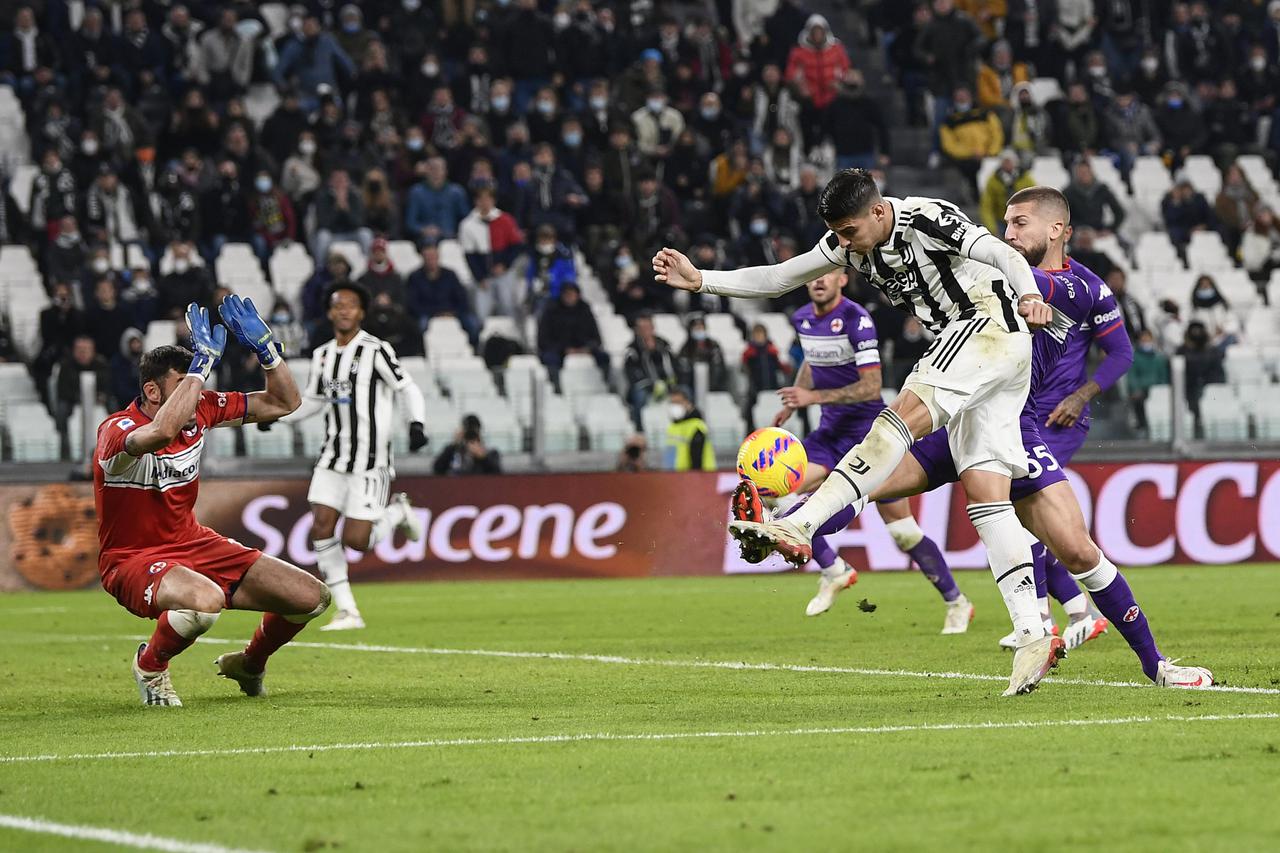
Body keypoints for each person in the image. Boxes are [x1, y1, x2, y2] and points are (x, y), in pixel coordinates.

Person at [735, 187, 1212, 689]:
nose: (1009, 232)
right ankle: (786, 527)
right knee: (869, 483)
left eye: (1020, 223)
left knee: (1077, 551)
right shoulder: (991, 266)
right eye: (1006, 223)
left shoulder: (1079, 289)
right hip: (960, 413)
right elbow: (962, 265)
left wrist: (1078, 388)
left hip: (1017, 426)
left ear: (1056, 229)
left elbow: (1100, 336)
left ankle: (1154, 664)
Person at [653, 168, 1065, 696]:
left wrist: (1029, 294)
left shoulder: (926, 217)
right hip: (995, 359)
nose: (843, 244)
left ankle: (800, 524)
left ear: (877, 210)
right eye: (837, 235)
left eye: (849, 231)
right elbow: (779, 277)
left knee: (894, 421)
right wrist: (702, 280)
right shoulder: (846, 244)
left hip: (986, 327)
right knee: (987, 498)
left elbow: (1002, 254)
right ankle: (1033, 634)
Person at [95, 299, 329, 706]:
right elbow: (161, 432)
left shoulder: (200, 408)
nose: (197, 392)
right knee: (205, 602)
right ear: (151, 391)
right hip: (131, 559)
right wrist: (201, 364)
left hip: (193, 544)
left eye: (198, 382)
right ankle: (150, 666)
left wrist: (267, 351)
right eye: (185, 383)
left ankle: (250, 663)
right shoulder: (117, 430)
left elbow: (284, 403)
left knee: (311, 598)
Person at [754, 268, 972, 629]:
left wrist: (812, 397)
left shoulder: (857, 319)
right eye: (812, 276)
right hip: (828, 435)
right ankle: (833, 569)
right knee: (774, 491)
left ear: (842, 279)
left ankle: (957, 602)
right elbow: (811, 359)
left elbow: (872, 387)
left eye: (827, 275)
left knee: (904, 533)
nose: (818, 281)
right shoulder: (803, 318)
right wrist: (795, 399)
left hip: (868, 438)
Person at [277, 283, 429, 631]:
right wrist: (279, 417)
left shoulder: (376, 350)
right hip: (332, 457)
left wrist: (416, 423)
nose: (344, 310)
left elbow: (407, 387)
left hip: (370, 461)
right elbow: (314, 401)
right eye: (338, 305)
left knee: (357, 541)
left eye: (350, 305)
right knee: (321, 525)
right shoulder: (323, 355)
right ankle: (347, 610)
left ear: (361, 312)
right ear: (330, 312)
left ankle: (398, 512)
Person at [536, 282, 608, 380]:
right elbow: (543, 340)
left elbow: (596, 337)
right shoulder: (551, 310)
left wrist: (587, 348)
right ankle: (555, 385)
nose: (569, 297)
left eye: (572, 294)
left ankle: (606, 382)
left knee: (604, 357)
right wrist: (564, 349)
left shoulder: (584, 309)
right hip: (558, 349)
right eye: (567, 294)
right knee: (551, 358)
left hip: (584, 348)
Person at [623, 313, 678, 426]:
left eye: (648, 327)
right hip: (645, 386)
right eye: (642, 328)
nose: (646, 331)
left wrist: (668, 382)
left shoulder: (664, 346)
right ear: (637, 330)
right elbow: (632, 374)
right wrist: (653, 384)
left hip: (667, 384)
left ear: (653, 328)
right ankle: (639, 428)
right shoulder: (633, 350)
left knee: (685, 392)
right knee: (640, 396)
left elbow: (674, 366)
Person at [980, 150, 1034, 233]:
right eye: (1005, 162)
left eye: (1009, 162)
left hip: (1021, 217)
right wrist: (991, 227)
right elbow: (987, 205)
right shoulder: (993, 180)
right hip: (1001, 218)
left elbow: (1034, 196)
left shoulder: (1025, 178)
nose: (1007, 164)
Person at [1127, 329, 1169, 435]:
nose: (1146, 342)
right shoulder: (1134, 357)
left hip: (1157, 389)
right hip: (1142, 389)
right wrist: (1135, 389)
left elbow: (1164, 376)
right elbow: (1132, 376)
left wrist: (1162, 388)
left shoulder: (1159, 357)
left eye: (1148, 339)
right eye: (1143, 340)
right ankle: (1142, 425)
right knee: (1139, 400)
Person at [664, 386, 714, 472]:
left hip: (694, 475)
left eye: (678, 402)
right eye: (672, 403)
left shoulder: (696, 426)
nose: (675, 406)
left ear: (688, 403)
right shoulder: (673, 426)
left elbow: (697, 458)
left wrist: (693, 478)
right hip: (675, 475)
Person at [433, 413, 502, 475]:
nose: (470, 435)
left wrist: (483, 458)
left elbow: (498, 475)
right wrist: (454, 445)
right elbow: (437, 469)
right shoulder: (453, 451)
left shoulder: (490, 453)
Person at [676, 314, 729, 393]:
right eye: (696, 328)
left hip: (713, 385)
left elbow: (719, 367)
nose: (699, 330)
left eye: (701, 328)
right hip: (692, 386)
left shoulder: (713, 345)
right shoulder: (686, 348)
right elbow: (683, 372)